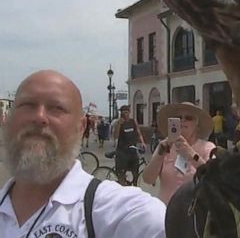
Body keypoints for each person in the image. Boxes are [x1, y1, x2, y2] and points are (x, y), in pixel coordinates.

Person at [0, 70, 165, 238]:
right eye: (27, 105)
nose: (39, 117)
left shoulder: (111, 211)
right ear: (8, 118)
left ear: (81, 126)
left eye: (56, 108)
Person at [142, 102, 215, 205]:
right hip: (166, 212)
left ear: (197, 125)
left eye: (188, 118)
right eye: (178, 118)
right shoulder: (164, 146)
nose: (183, 121)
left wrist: (191, 154)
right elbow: (148, 179)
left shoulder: (207, 147)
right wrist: (159, 155)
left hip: (195, 213)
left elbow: (214, 178)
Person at [113, 105, 146, 185]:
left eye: (126, 112)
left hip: (132, 150)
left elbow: (138, 132)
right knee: (121, 174)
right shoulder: (118, 123)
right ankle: (122, 186)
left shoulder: (133, 121)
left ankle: (134, 185)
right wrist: (119, 125)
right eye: (123, 113)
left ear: (129, 113)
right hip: (122, 151)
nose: (125, 114)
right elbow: (115, 136)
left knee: (135, 171)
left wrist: (142, 142)